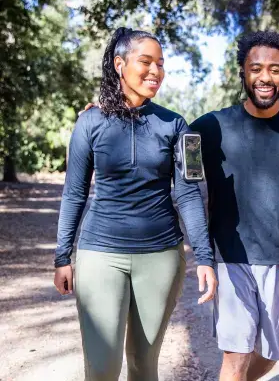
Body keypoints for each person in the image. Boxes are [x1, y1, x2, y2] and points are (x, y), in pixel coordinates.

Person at [53, 27, 217, 381]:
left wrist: (204, 256)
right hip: (100, 256)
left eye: (161, 64)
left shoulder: (178, 125)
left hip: (160, 258)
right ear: (119, 64)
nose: (155, 71)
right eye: (146, 62)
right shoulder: (89, 122)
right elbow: (74, 192)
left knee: (144, 368)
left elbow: (188, 193)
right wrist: (62, 256)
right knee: (101, 368)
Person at [190, 30, 279, 381]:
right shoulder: (210, 127)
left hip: (278, 259)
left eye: (275, 69)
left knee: (269, 354)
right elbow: (166, 145)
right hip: (230, 256)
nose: (265, 77)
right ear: (243, 72)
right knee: (236, 355)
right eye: (256, 68)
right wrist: (116, 112)